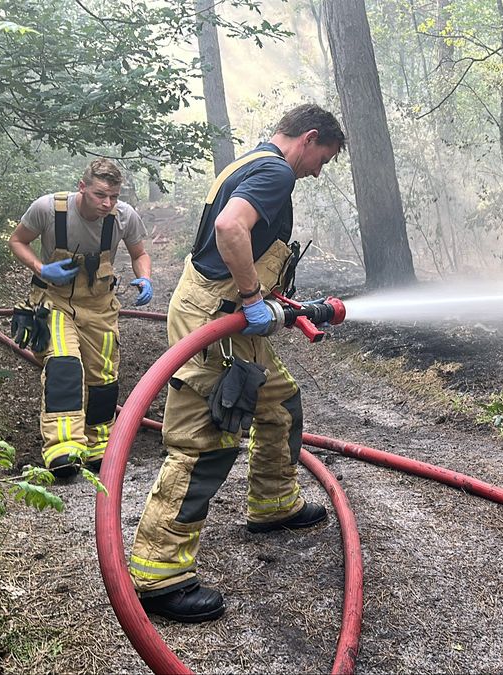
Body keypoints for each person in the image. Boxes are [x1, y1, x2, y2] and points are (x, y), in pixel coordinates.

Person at [129, 104, 345, 623]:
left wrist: (267, 300)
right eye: (323, 159)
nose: (319, 171)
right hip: (217, 321)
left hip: (226, 317)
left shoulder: (249, 163)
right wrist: (251, 298)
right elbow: (230, 228)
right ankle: (159, 575)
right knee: (206, 440)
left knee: (279, 402)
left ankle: (274, 504)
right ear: (308, 138)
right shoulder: (275, 173)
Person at [8, 159, 153, 478]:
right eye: (100, 195)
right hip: (54, 300)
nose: (107, 203)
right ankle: (64, 449)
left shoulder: (124, 216)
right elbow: (17, 241)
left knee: (103, 376)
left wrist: (145, 277)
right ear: (82, 187)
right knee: (64, 365)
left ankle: (99, 446)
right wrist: (41, 268)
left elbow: (139, 254)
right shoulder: (49, 209)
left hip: (100, 306)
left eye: (113, 196)